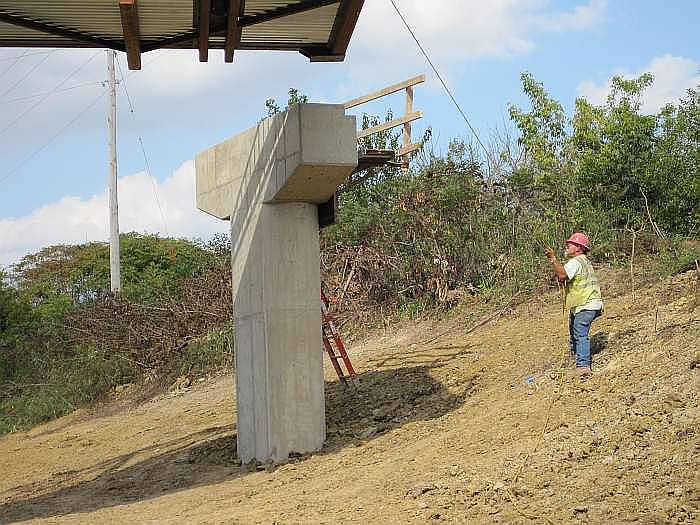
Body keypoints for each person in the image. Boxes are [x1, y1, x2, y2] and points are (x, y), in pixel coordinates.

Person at [544, 233, 603, 376]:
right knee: (574, 328)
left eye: (570, 244)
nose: (567, 246)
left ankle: (583, 366)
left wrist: (553, 259)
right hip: (589, 304)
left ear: (578, 248)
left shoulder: (575, 262)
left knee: (580, 333)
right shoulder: (584, 261)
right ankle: (576, 355)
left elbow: (563, 275)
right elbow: (564, 277)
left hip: (585, 304)